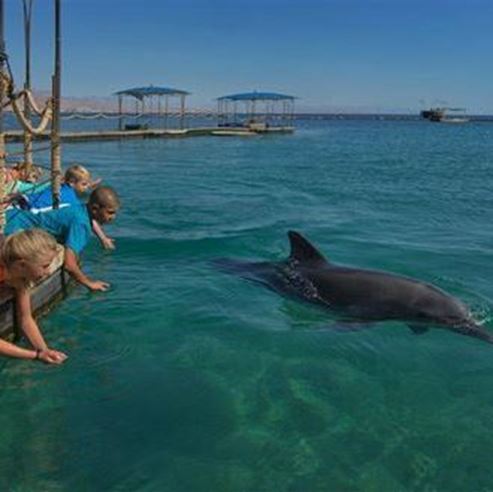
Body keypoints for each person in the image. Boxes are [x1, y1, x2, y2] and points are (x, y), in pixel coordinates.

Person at [5, 186, 120, 292]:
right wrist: (89, 283)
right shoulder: (81, 224)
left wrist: (103, 238)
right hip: (13, 228)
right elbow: (69, 264)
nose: (112, 218)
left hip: (13, 215)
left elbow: (91, 221)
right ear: (95, 209)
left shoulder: (79, 209)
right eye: (110, 213)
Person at [0, 228, 67, 364]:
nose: (48, 272)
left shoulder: (21, 278)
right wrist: (35, 355)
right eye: (45, 266)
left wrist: (44, 350)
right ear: (22, 265)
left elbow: (25, 318)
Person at [25, 164, 113, 249]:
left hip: (25, 203)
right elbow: (87, 216)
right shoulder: (71, 201)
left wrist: (88, 185)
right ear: (71, 182)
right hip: (31, 214)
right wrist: (103, 238)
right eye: (84, 184)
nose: (86, 188)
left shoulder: (58, 186)